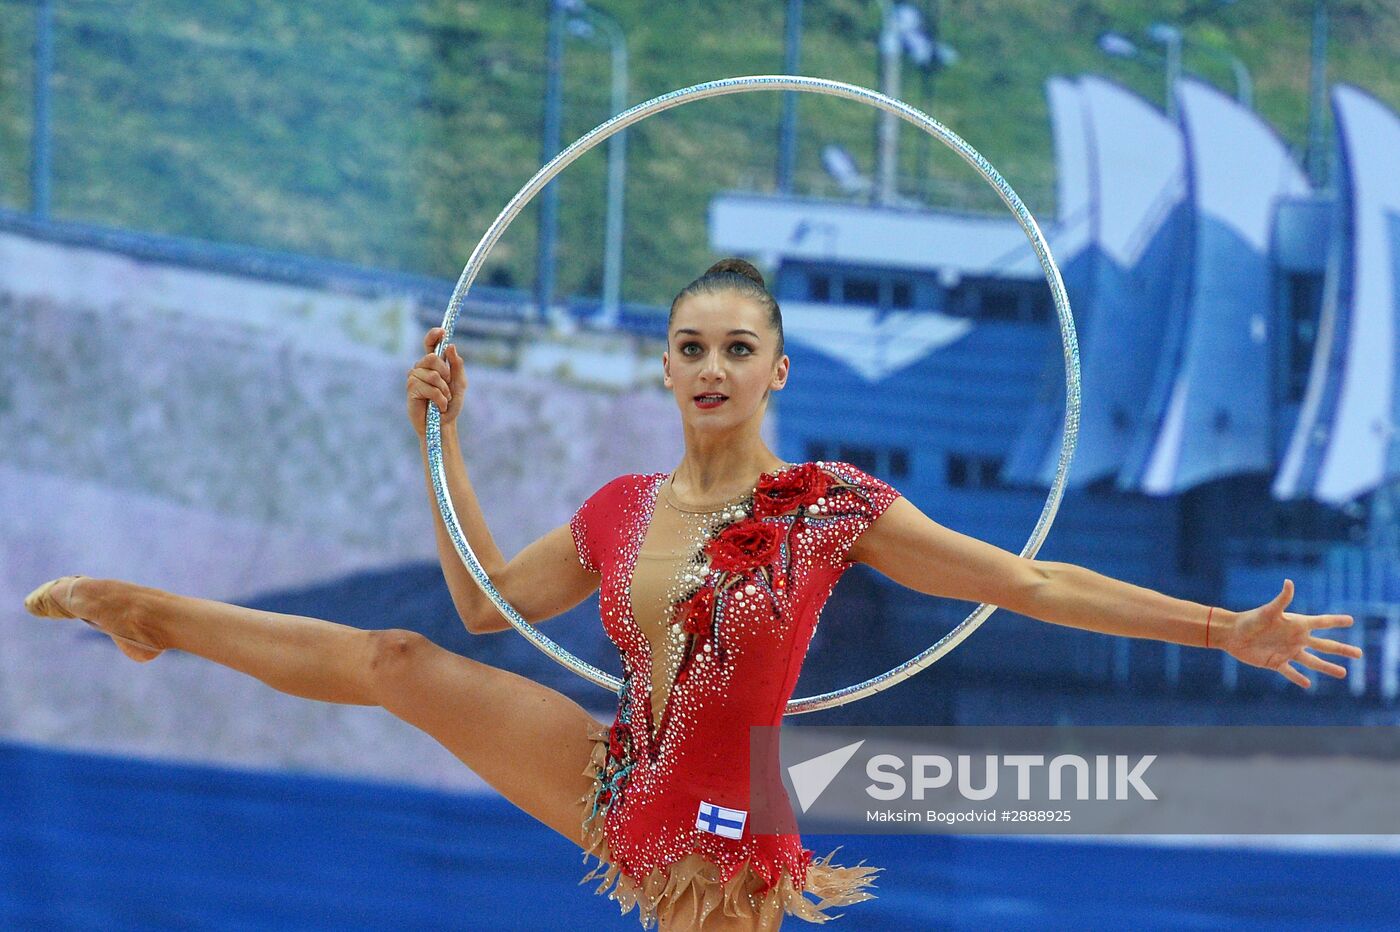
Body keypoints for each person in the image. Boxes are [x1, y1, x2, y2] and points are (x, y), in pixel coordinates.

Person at [24, 258, 1363, 931]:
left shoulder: (832, 507)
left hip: (723, 838)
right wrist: (440, 444)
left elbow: (1027, 578)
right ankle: (155, 619)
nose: (710, 365)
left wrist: (1220, 627)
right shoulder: (619, 512)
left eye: (738, 347)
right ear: (665, 371)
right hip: (621, 777)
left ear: (776, 371)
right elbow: (484, 604)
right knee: (401, 661)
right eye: (689, 346)